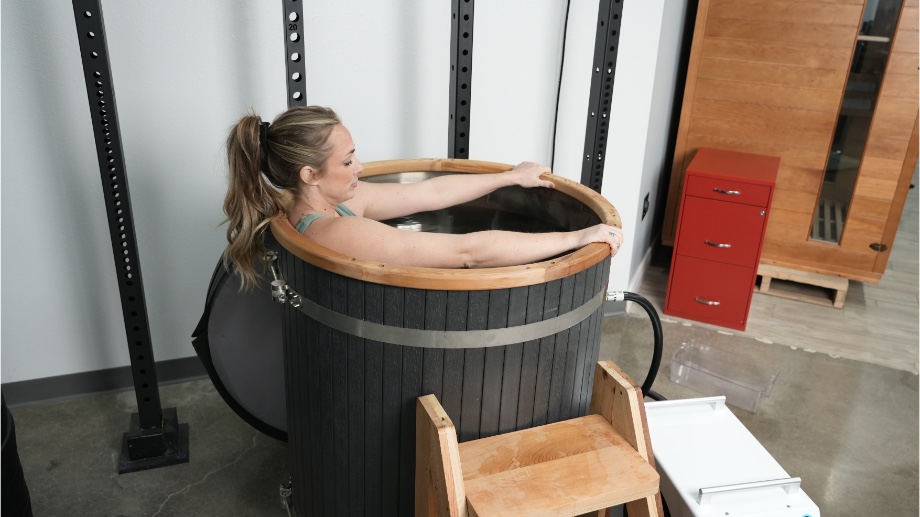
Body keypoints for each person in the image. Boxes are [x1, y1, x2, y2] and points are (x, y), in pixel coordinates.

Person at [223, 106, 624, 288]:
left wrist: (508, 177)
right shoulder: (332, 232)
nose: (360, 167)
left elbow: (428, 192)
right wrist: (573, 240)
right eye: (347, 161)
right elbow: (466, 254)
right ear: (309, 174)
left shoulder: (330, 200)